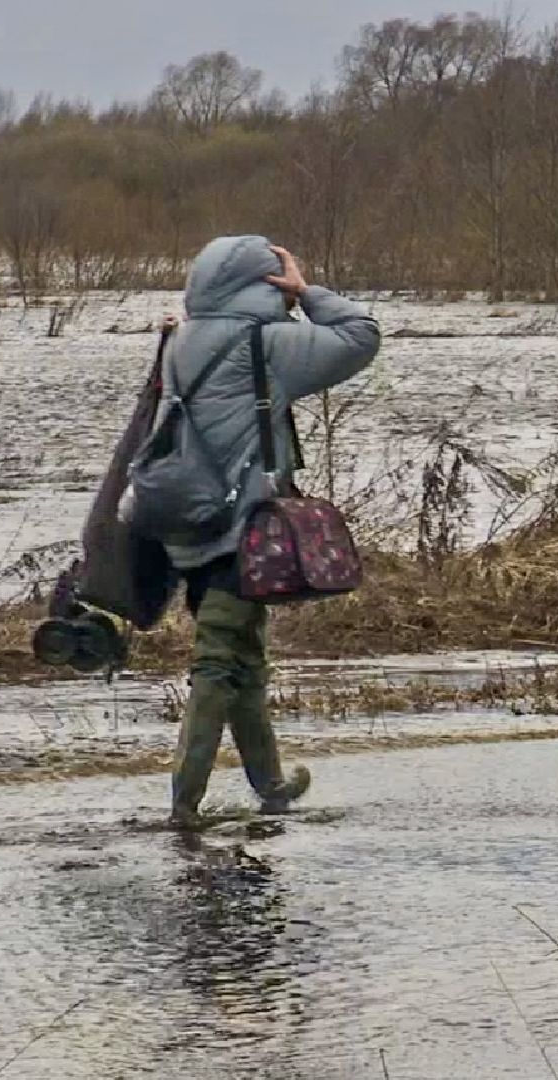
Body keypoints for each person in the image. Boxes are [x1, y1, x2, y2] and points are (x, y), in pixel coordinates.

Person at [156, 235, 380, 828]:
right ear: (264, 285)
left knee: (244, 656)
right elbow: (361, 337)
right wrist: (308, 293)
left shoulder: (181, 338)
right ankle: (184, 803)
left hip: (187, 521)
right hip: (241, 526)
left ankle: (272, 786)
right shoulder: (265, 343)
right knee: (218, 661)